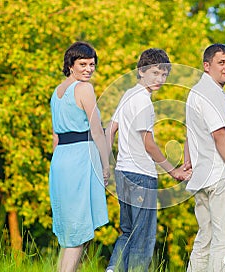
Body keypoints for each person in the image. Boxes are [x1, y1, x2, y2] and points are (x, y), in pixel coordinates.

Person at [105, 48, 191, 272]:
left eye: (164, 75)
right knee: (142, 238)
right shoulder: (143, 101)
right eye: (155, 73)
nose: (160, 79)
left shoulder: (128, 94)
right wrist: (174, 172)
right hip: (141, 175)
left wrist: (106, 165)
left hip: (122, 173)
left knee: (127, 231)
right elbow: (148, 144)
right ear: (141, 71)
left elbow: (109, 130)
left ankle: (113, 269)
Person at [184, 43, 225, 271]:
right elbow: (219, 135)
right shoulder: (211, 93)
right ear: (207, 65)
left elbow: (189, 132)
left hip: (202, 177)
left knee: (205, 240)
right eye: (221, 62)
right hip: (221, 176)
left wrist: (188, 162)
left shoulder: (195, 92)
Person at [49, 41, 110, 272]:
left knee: (70, 232)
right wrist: (106, 166)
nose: (88, 69)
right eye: (82, 64)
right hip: (80, 158)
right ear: (70, 65)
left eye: (92, 64)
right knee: (78, 230)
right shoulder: (85, 89)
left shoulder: (57, 92)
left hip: (61, 160)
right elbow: (96, 130)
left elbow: (55, 136)